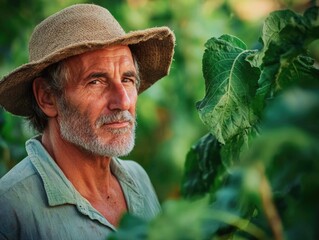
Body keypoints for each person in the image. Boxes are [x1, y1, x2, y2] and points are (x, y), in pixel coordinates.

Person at [0, 3, 175, 240]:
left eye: (127, 79)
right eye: (96, 81)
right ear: (47, 97)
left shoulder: (138, 179)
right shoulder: (10, 207)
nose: (123, 102)